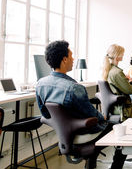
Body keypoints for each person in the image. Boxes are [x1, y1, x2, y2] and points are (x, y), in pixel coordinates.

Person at [36, 40, 126, 169]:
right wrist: (104, 117)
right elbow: (92, 115)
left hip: (64, 135)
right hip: (84, 133)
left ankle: (91, 163)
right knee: (120, 128)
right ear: (64, 59)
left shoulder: (40, 84)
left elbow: (45, 114)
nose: (73, 59)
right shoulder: (74, 88)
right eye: (71, 56)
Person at [102, 44, 132, 120]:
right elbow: (130, 90)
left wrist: (127, 79)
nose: (123, 55)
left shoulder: (108, 70)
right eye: (122, 53)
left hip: (114, 108)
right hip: (124, 109)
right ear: (117, 56)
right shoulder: (117, 72)